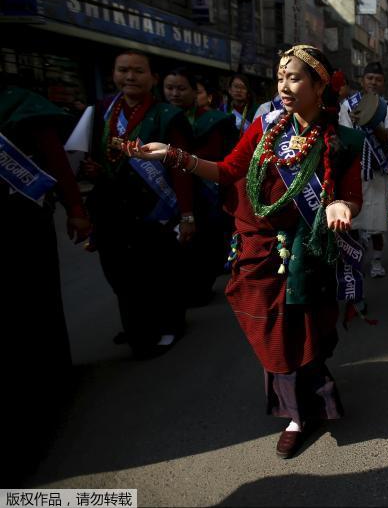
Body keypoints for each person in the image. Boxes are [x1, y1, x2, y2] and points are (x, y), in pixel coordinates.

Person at [130, 44, 363, 459]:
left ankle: (303, 408)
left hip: (308, 253)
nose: (284, 87)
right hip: (258, 250)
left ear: (319, 84)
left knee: (310, 332)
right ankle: (303, 408)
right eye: (280, 78)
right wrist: (174, 156)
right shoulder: (264, 127)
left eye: (294, 78)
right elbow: (226, 170)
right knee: (273, 333)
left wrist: (343, 206)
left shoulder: (343, 140)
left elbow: (351, 196)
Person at [1, 81, 92, 480]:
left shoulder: (19, 104)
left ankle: (51, 378)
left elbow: (55, 159)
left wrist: (76, 208)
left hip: (21, 222)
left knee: (36, 302)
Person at [81, 50, 194, 359]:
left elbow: (180, 166)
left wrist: (186, 214)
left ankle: (167, 325)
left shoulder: (167, 116)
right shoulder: (103, 110)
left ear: (153, 78)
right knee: (118, 270)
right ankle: (137, 325)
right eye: (123, 70)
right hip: (111, 205)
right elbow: (91, 155)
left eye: (138, 71)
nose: (130, 77)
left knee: (154, 270)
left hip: (153, 205)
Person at [163, 67, 238, 306]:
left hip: (206, 191)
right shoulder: (162, 117)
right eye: (169, 88)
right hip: (170, 192)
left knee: (203, 242)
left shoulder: (213, 120)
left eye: (182, 89)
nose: (175, 94)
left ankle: (200, 287)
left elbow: (220, 156)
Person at [339, 61, 388, 277]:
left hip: (378, 170)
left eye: (378, 79)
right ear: (363, 81)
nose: (373, 82)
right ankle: (355, 258)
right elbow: (345, 136)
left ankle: (377, 262)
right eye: (370, 78)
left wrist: (370, 120)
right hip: (355, 169)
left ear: (383, 84)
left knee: (376, 221)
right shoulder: (347, 105)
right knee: (353, 220)